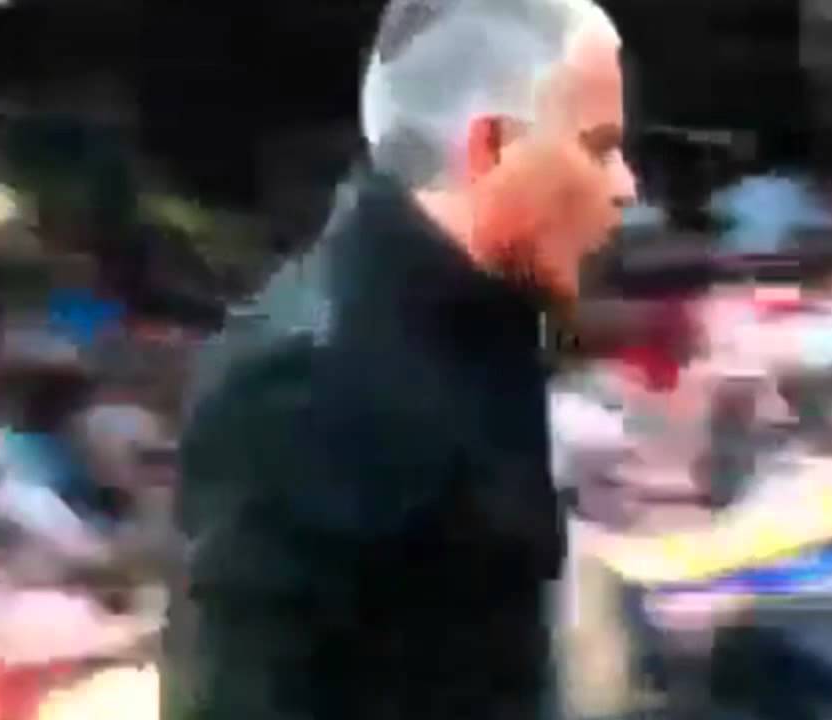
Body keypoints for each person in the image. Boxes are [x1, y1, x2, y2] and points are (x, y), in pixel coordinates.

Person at [173, 0, 636, 718]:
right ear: (494, 149)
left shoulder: (484, 319)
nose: (626, 186)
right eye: (598, 148)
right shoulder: (308, 376)